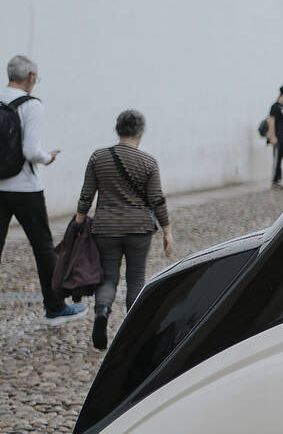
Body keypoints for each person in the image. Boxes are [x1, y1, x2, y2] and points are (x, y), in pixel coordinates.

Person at [75, 109, 172, 351]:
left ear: (118, 129)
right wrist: (167, 230)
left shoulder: (98, 158)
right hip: (139, 228)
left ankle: (102, 314)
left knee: (108, 278)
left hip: (106, 227)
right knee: (136, 279)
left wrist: (79, 220)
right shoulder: (148, 162)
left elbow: (87, 194)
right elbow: (157, 199)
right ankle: (133, 333)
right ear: (141, 132)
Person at [0, 55, 85, 326]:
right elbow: (30, 151)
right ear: (31, 77)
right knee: (43, 248)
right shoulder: (32, 106)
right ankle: (55, 308)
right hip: (26, 189)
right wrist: (48, 157)